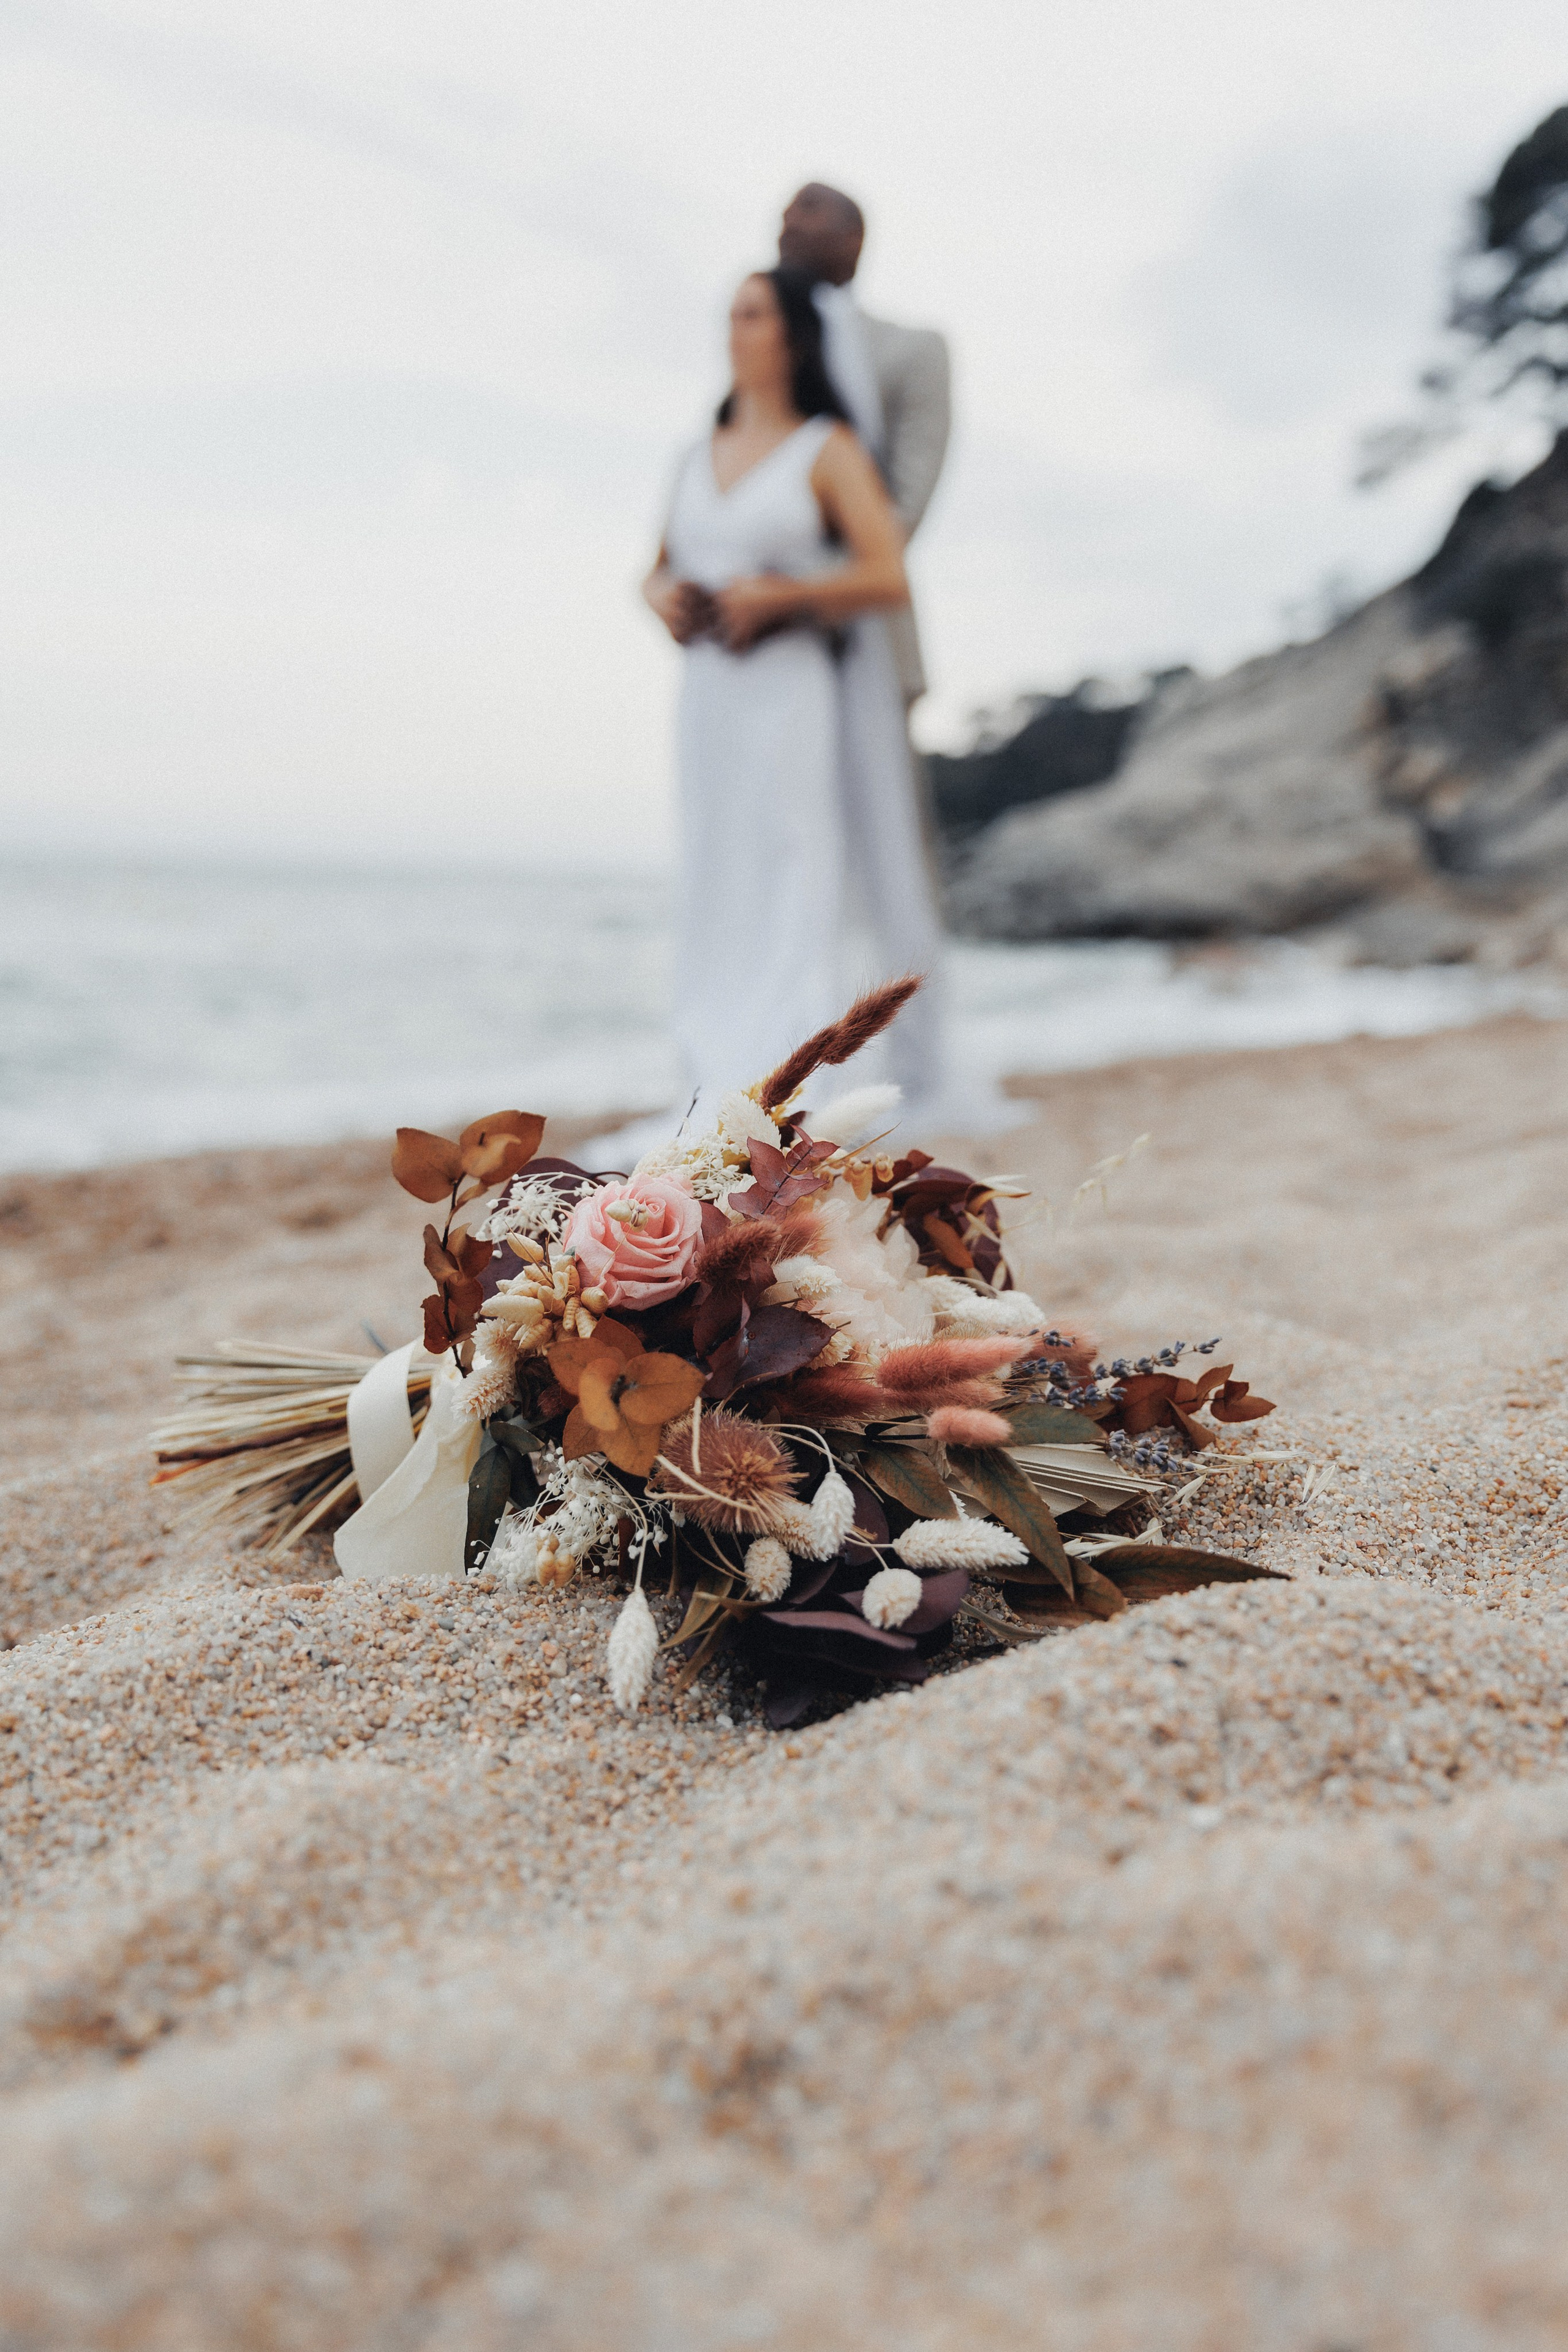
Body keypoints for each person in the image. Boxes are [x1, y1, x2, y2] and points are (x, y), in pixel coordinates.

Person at [638, 265, 946, 1121]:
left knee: (790, 862)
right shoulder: (691, 455)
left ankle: (789, 1074)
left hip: (790, 689)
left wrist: (783, 597)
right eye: (729, 314)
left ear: (793, 336)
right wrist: (667, 601)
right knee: (717, 870)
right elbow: (655, 569)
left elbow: (886, 572)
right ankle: (709, 1069)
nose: (733, 329)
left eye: (751, 314)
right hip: (707, 695)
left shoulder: (826, 448)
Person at [778, 183, 952, 708]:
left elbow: (907, 500)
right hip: (760, 645)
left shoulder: (914, 350)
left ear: (854, 237)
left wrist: (804, 596)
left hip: (868, 632)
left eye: (809, 205)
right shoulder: (761, 353)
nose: (787, 217)